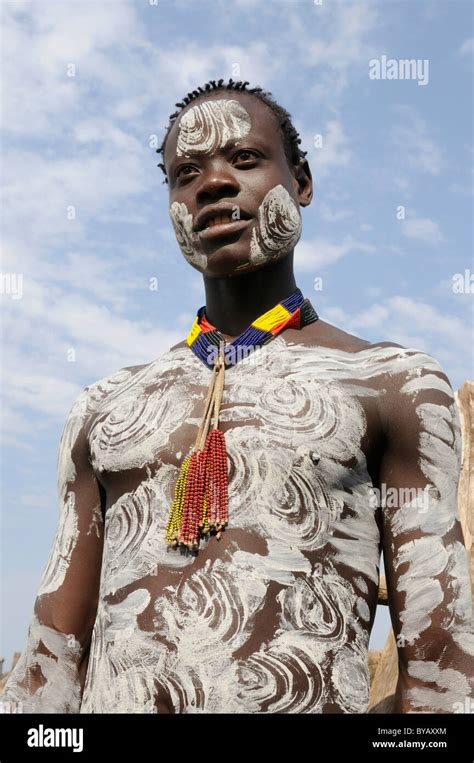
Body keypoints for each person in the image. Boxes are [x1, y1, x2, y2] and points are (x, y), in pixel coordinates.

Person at [2, 78, 473, 714]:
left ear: (301, 182)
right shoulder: (105, 407)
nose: (213, 183)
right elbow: (52, 650)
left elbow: (442, 655)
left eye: (245, 159)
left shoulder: (394, 385)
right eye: (184, 172)